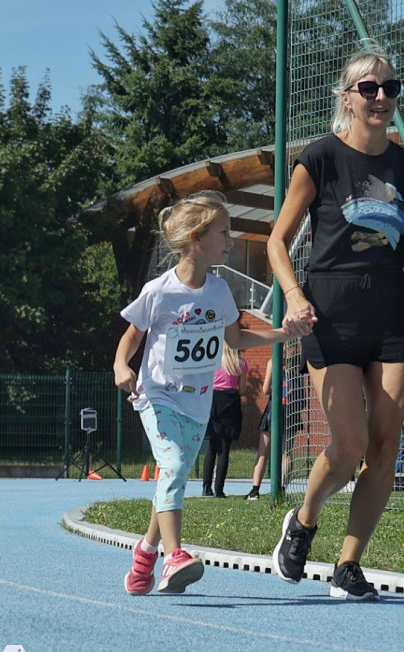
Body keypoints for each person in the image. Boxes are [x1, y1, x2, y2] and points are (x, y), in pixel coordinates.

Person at [266, 45, 404, 600]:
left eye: (390, 89)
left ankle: (348, 566)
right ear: (348, 98)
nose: (381, 97)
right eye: (369, 89)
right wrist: (292, 295)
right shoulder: (321, 158)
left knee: (386, 447)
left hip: (390, 316)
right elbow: (277, 242)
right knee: (350, 442)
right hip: (328, 314)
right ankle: (304, 521)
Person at [114, 190, 312, 596]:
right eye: (224, 232)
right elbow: (132, 336)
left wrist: (283, 333)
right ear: (196, 239)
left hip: (197, 401)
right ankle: (175, 557)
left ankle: (145, 555)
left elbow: (236, 338)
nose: (231, 240)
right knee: (170, 467)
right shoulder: (160, 290)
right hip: (158, 396)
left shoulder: (219, 291)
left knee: (174, 476)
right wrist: (121, 365)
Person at [244, 350, 304, 501]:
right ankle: (282, 489)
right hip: (292, 411)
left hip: (276, 409)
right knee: (287, 452)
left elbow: (265, 389)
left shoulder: (273, 362)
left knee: (263, 451)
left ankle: (255, 491)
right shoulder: (297, 363)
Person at [201, 342, 249, 498]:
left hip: (213, 401)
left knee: (211, 447)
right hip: (230, 402)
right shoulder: (240, 363)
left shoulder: (213, 361)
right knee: (224, 450)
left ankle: (206, 487)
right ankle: (219, 489)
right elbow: (242, 390)